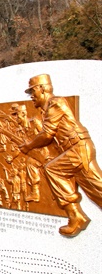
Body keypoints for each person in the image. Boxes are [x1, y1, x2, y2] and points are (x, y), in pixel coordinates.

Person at [19, 74, 102, 237]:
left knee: (53, 169)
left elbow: (47, 134)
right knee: (96, 188)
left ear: (41, 89)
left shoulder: (56, 103)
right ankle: (76, 215)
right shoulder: (48, 108)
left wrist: (29, 146)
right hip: (76, 148)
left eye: (32, 93)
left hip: (78, 148)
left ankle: (75, 215)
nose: (31, 98)